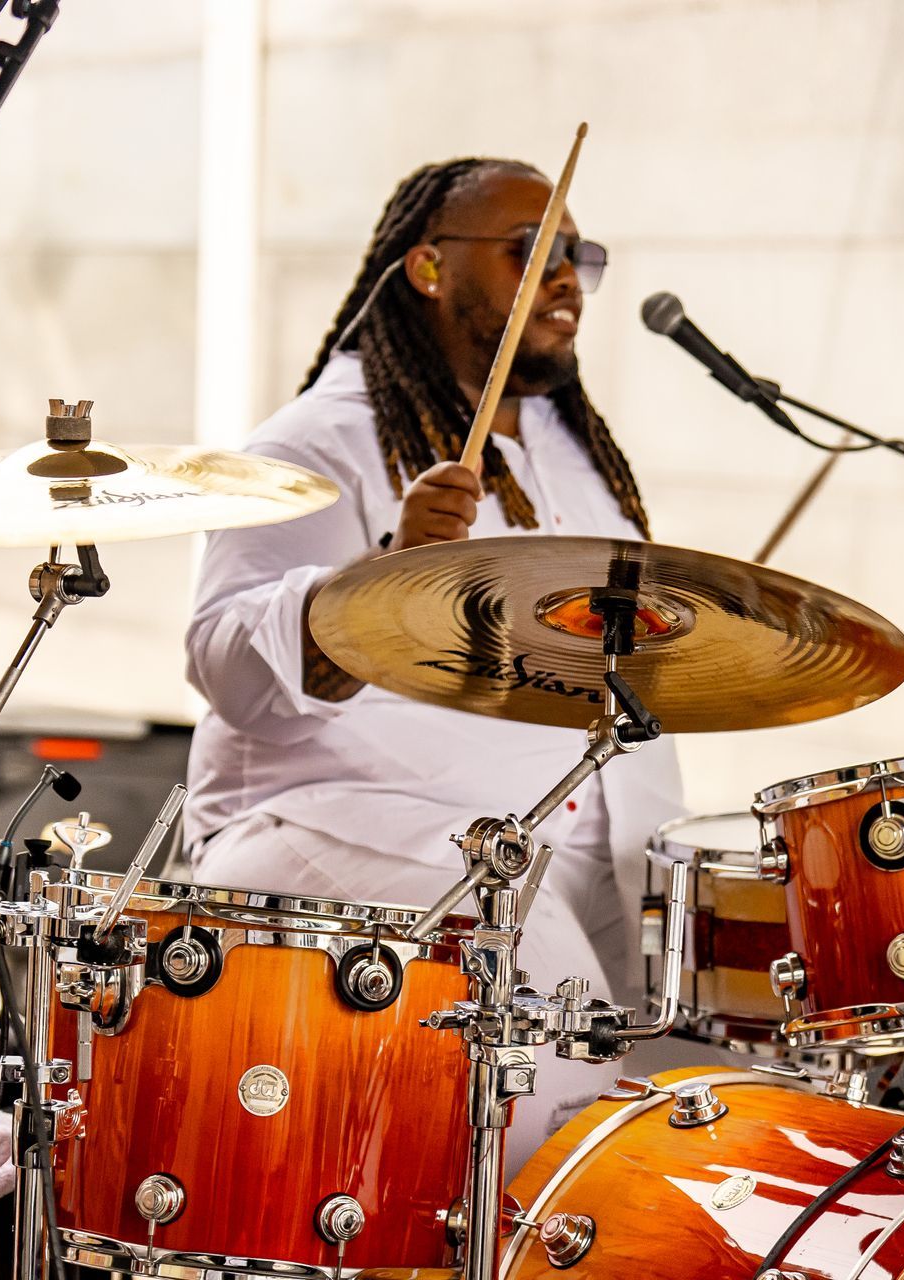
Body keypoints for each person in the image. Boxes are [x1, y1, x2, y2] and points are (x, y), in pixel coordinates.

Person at [183, 156, 684, 1166]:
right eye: (528, 251)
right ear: (425, 265)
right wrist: (386, 578)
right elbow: (223, 657)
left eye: (578, 253)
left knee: (703, 1078)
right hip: (330, 838)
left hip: (562, 866)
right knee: (548, 1020)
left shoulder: (575, 450)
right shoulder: (315, 445)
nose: (567, 276)